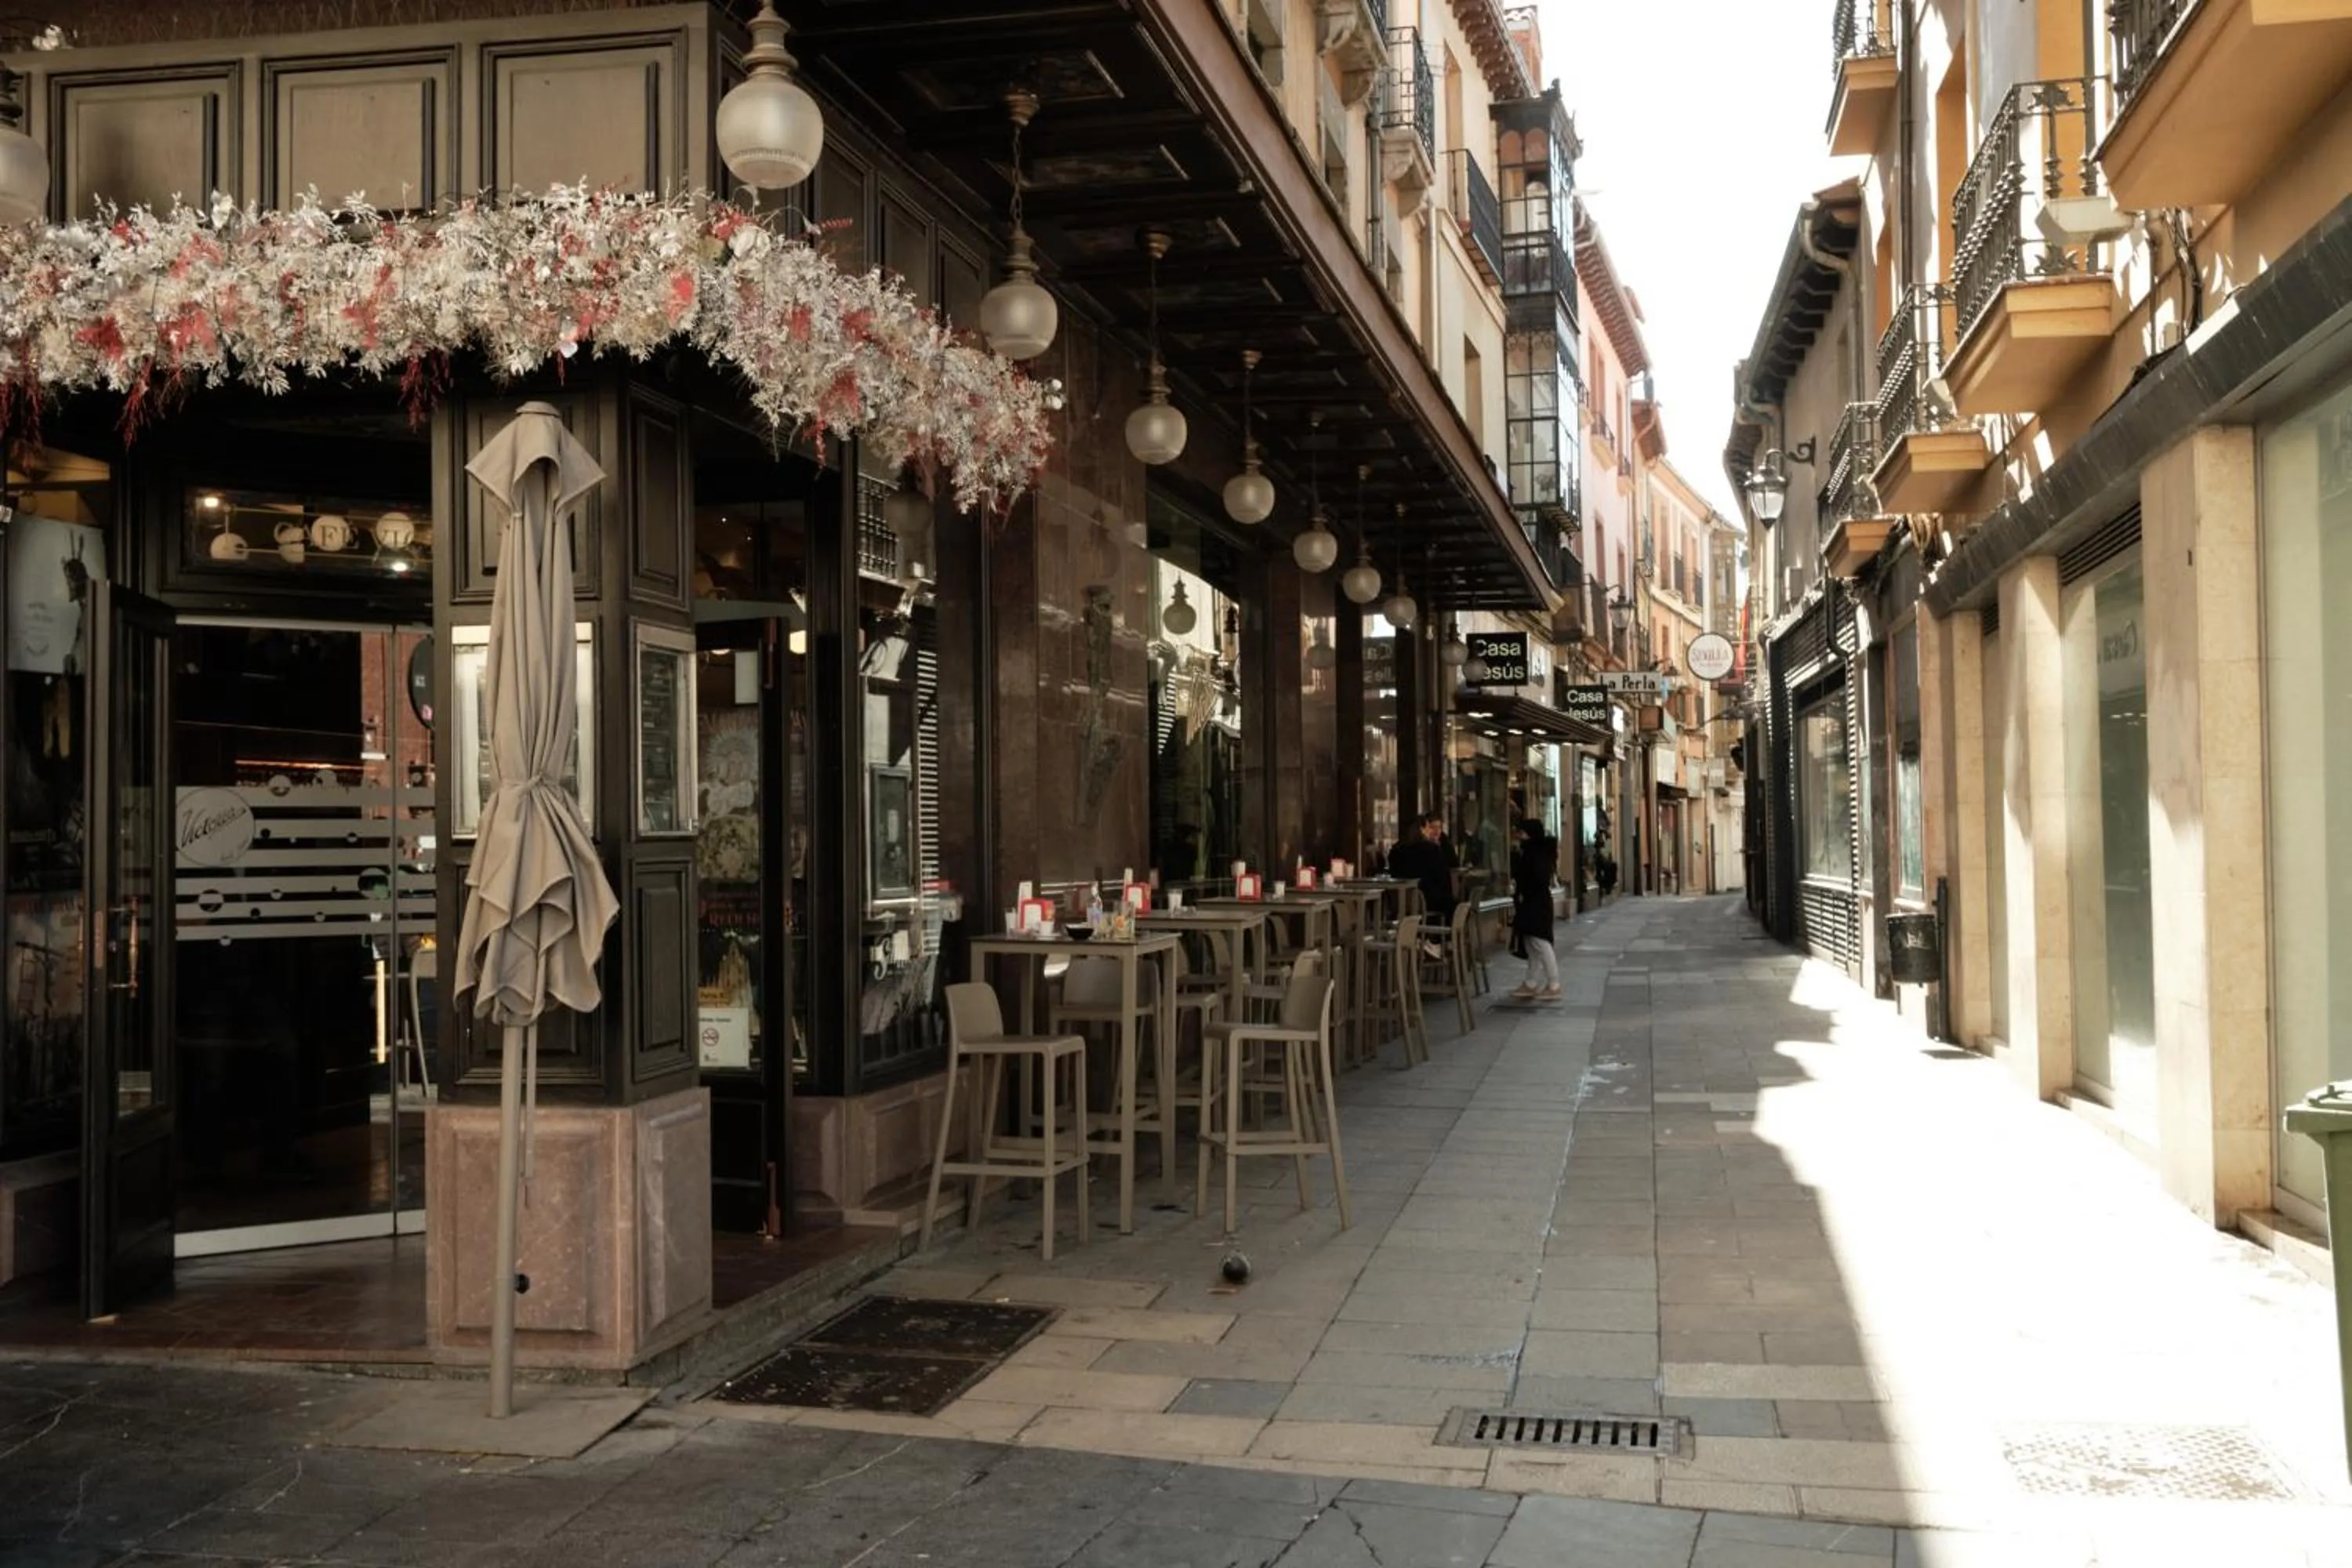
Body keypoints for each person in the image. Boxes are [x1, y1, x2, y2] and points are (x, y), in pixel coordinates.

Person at [1510, 818, 1562, 1001]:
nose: (1520, 837)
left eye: (1523, 833)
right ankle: (1530, 982)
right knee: (1532, 943)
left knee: (1540, 942)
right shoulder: (1535, 852)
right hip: (1533, 902)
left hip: (1536, 904)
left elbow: (1534, 879)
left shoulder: (1535, 855)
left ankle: (1554, 984)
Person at [1386, 811, 1457, 924]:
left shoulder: (1396, 851)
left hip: (1402, 900)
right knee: (1454, 905)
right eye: (1429, 827)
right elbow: (1444, 879)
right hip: (1428, 899)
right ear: (1423, 829)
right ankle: (1442, 937)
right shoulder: (1433, 850)